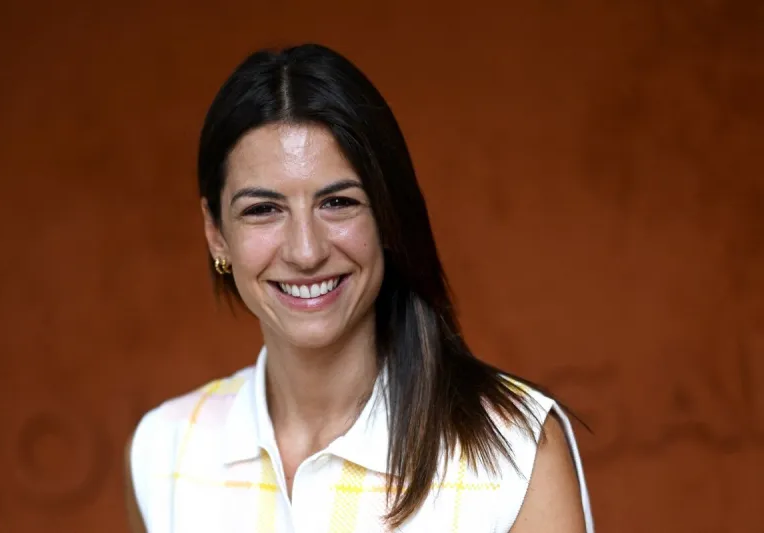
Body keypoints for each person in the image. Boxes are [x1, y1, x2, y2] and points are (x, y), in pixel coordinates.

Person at [124, 43, 594, 533]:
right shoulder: (163, 451)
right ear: (216, 233)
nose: (306, 251)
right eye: (263, 209)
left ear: (387, 215)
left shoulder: (515, 451)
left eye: (338, 202)